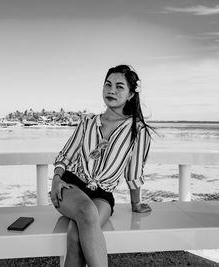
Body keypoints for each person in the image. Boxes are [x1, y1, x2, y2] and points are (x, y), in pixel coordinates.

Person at [50, 64, 153, 267]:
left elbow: (133, 173)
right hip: (71, 187)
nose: (111, 90)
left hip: (103, 195)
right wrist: (56, 179)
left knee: (75, 235)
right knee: (87, 211)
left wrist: (136, 204)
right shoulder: (87, 122)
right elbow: (66, 156)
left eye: (119, 86)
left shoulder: (137, 130)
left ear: (131, 94)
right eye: (108, 84)